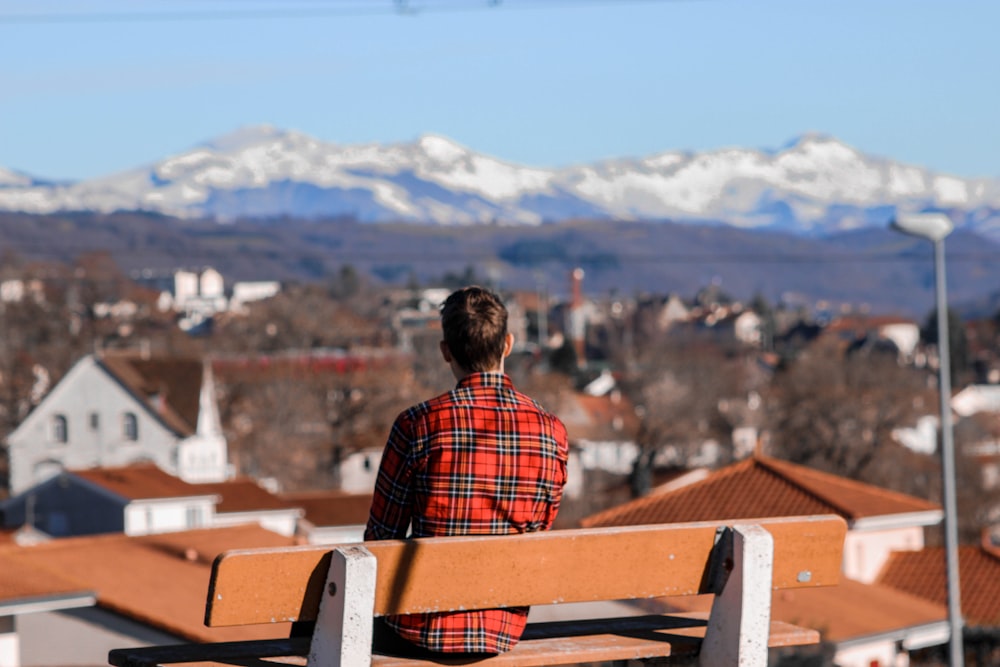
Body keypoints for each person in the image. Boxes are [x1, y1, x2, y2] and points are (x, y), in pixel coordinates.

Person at [365, 285, 569, 656]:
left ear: (446, 351)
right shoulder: (550, 430)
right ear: (507, 344)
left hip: (421, 629)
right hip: (503, 628)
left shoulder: (417, 424)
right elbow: (540, 529)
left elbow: (380, 540)